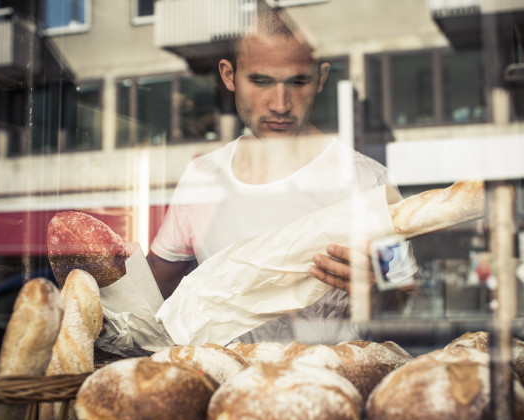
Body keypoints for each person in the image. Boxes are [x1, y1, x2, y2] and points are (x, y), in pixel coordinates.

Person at [146, 8, 416, 344]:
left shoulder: (370, 183)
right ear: (229, 76)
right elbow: (157, 280)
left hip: (328, 389)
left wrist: (378, 291)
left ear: (320, 78)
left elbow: (405, 289)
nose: (280, 104)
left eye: (298, 81)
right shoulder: (202, 177)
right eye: (260, 81)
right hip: (226, 392)